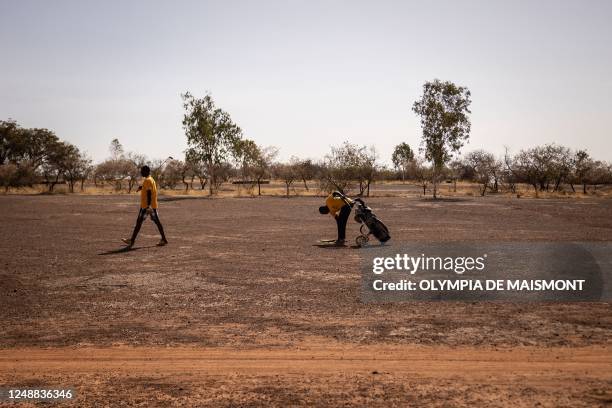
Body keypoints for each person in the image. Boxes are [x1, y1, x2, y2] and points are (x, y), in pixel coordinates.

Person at [122, 165, 168, 248]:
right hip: (150, 206)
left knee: (139, 223)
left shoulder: (148, 180)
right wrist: (142, 187)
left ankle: (132, 241)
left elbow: (149, 193)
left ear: (146, 171)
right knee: (155, 222)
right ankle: (164, 239)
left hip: (146, 207)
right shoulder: (150, 179)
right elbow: (148, 189)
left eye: (142, 171)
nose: (141, 172)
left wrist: (148, 207)